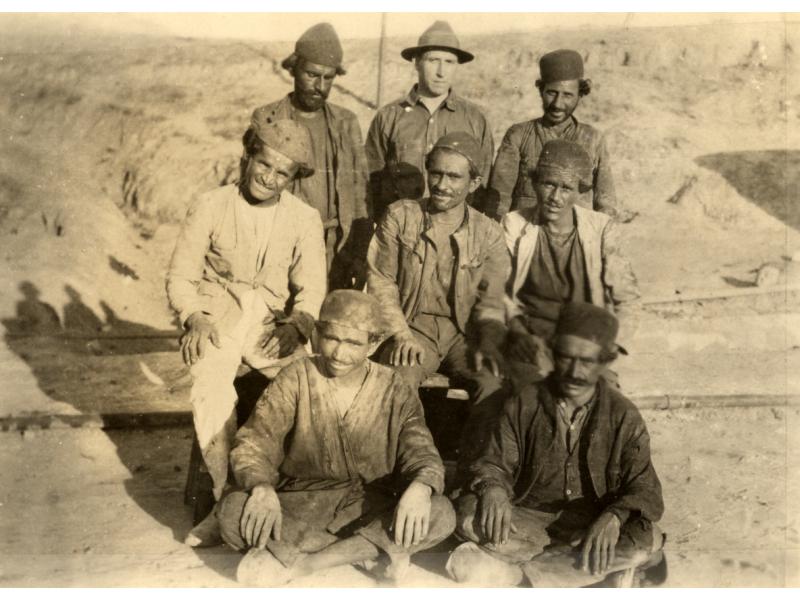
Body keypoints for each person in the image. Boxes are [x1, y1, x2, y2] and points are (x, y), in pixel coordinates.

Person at [218, 290, 456, 586]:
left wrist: (421, 486)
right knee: (233, 510)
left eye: (353, 343)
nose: (339, 354)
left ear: (374, 344)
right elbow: (254, 442)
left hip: (368, 505)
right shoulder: (296, 376)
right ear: (317, 334)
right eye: (331, 339)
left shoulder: (393, 385)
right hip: (304, 504)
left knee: (441, 512)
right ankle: (366, 552)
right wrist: (261, 486)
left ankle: (303, 562)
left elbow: (420, 449)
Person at [166, 118, 327, 546]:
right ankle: (224, 500)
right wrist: (194, 316)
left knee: (311, 387)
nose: (269, 178)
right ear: (248, 155)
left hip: (272, 326)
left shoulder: (304, 218)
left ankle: (291, 497)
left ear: (293, 179)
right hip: (218, 318)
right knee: (210, 387)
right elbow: (180, 277)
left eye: (282, 173)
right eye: (264, 164)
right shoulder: (211, 204)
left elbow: (312, 287)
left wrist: (300, 322)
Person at [448, 302, 666, 587]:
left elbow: (644, 488)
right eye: (565, 357)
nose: (575, 372)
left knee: (641, 539)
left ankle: (518, 577)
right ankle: (582, 572)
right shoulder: (524, 403)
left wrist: (613, 516)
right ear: (552, 353)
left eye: (587, 361)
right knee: (467, 514)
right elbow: (494, 461)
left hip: (590, 522)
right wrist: (494, 490)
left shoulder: (623, 414)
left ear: (605, 362)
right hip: (526, 516)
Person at [367, 131, 510, 471]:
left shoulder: (489, 233)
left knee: (493, 383)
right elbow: (381, 279)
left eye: (454, 176)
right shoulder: (400, 216)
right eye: (436, 173)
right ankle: (404, 470)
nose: (442, 185)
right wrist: (400, 335)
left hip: (464, 335)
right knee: (398, 382)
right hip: (413, 328)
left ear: (473, 183)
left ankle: (478, 472)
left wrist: (488, 344)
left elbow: (493, 300)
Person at [502, 139, 640, 388]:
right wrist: (518, 332)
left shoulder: (601, 229)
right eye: (548, 184)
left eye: (566, 188)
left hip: (585, 338)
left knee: (605, 395)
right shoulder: (514, 224)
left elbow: (627, 299)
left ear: (580, 191)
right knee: (530, 393)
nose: (555, 197)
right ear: (534, 183)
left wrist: (608, 346)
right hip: (532, 336)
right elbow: (498, 290)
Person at [250, 23, 370, 290]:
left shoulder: (346, 123)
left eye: (329, 78)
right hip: (280, 247)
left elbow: (361, 193)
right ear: (293, 69)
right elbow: (250, 188)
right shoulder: (267, 119)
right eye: (312, 75)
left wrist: (359, 254)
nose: (320, 86)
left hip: (335, 250)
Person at [365, 20, 494, 220]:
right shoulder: (389, 116)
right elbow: (372, 180)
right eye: (433, 60)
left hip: (455, 231)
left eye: (449, 62)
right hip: (401, 227)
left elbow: (482, 182)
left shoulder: (475, 119)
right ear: (416, 62)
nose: (441, 72)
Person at [488, 49, 622, 220]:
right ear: (541, 91)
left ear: (580, 95)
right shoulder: (518, 135)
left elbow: (606, 203)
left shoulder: (594, 139)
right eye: (552, 93)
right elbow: (499, 198)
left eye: (567, 95)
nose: (558, 104)